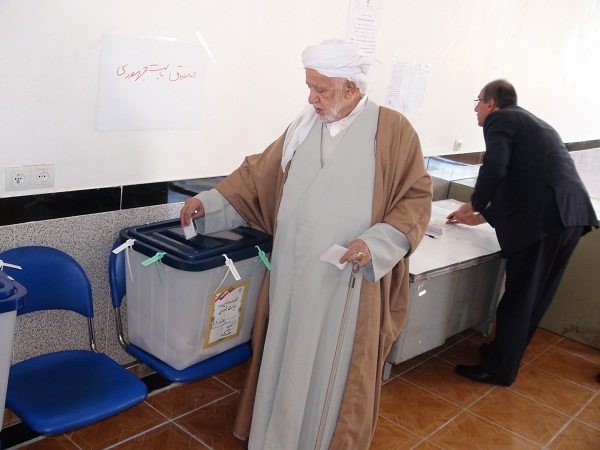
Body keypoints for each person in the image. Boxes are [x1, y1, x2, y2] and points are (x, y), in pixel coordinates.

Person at [180, 39, 432, 450]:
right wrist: (208, 204)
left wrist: (376, 243)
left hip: (346, 285)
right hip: (291, 277)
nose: (311, 97)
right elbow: (256, 178)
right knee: (285, 359)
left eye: (321, 89)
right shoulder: (302, 128)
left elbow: (416, 199)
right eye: (310, 86)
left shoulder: (393, 132)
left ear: (351, 88)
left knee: (330, 368)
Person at [447, 79, 598, 387]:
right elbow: (525, 182)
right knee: (536, 296)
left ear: (491, 103)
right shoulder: (530, 122)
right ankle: (504, 353)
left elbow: (496, 167)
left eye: (478, 102)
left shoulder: (500, 119)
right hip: (570, 216)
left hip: (545, 221)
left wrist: (474, 203)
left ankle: (499, 369)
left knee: (519, 296)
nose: (475, 109)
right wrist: (481, 217)